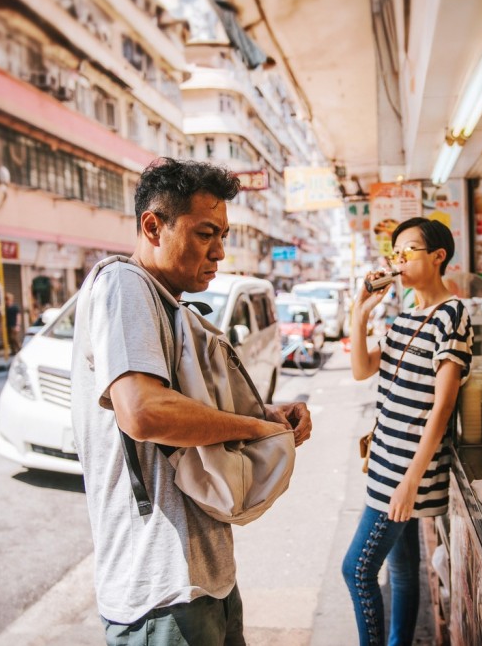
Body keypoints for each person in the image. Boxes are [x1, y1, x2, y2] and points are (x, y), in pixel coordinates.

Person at [70, 158, 312, 646]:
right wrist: (254, 430)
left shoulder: (171, 303)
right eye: (205, 233)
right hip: (161, 590)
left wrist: (267, 415)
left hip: (205, 578)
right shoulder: (124, 283)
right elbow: (143, 411)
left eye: (222, 234)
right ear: (153, 226)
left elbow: (193, 404)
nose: (219, 251)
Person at [344, 218, 473, 646]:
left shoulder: (451, 315)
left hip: (405, 471)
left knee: (357, 569)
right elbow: (362, 369)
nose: (398, 260)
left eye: (409, 251)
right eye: (394, 253)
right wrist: (360, 311)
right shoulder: (404, 319)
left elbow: (444, 404)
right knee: (400, 571)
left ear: (438, 257)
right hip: (384, 461)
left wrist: (411, 481)